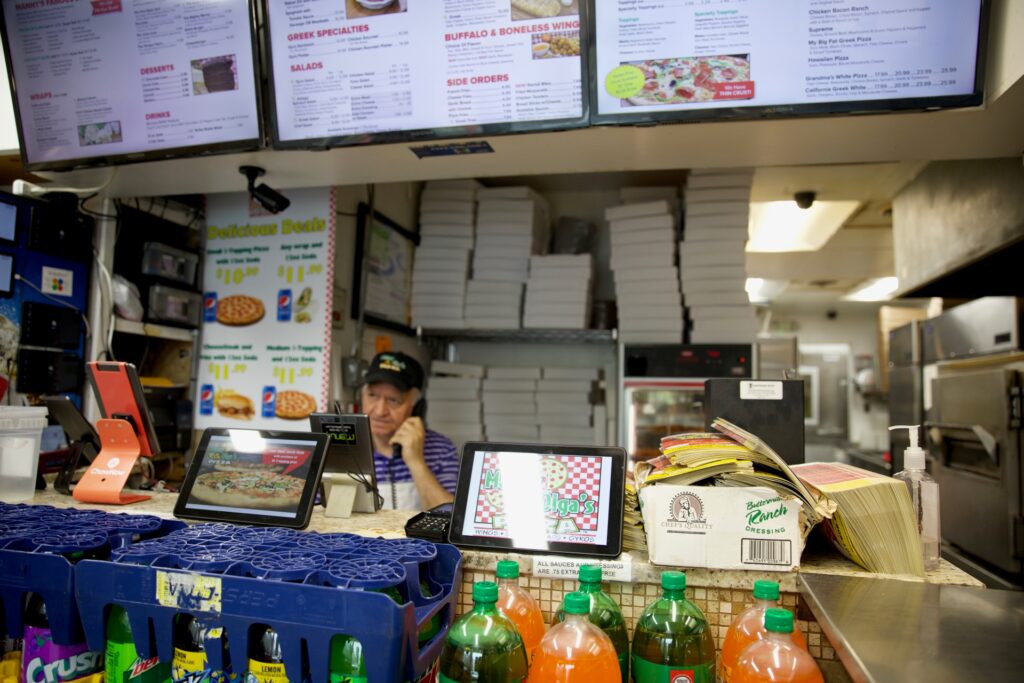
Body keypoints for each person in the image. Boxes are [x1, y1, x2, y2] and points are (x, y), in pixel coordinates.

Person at [361, 351, 458, 510]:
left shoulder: (442, 449)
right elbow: (318, 514)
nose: (379, 411)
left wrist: (416, 462)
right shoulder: (342, 447)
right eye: (372, 396)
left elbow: (451, 516)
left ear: (416, 407)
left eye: (393, 400)